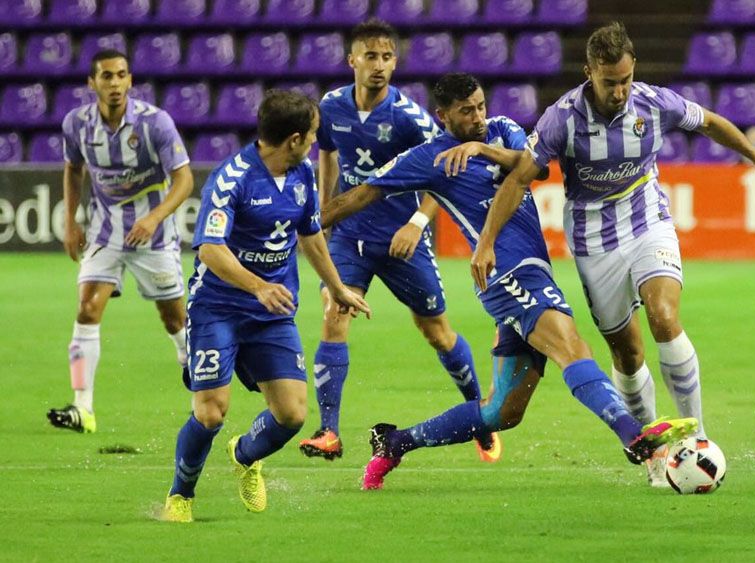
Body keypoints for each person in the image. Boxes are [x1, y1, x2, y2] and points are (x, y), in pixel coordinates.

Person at [320, 73, 697, 491]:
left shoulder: (502, 130)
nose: (478, 116)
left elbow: (532, 168)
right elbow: (361, 194)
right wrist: (306, 225)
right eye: (466, 111)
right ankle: (633, 436)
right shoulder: (430, 157)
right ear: (443, 116)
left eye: (480, 106)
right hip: (505, 276)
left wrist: (481, 148)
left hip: (531, 271)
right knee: (571, 346)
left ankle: (395, 443)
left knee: (502, 412)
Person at [471, 23, 755, 486]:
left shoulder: (654, 103)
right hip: (593, 240)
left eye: (625, 80)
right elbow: (519, 178)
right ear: (589, 72)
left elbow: (709, 122)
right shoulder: (562, 118)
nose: (619, 92)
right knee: (627, 352)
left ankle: (696, 438)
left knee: (663, 316)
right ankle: (654, 453)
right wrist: (486, 242)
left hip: (647, 221)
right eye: (609, 82)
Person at [162, 90, 370, 523]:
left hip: (271, 313)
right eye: (312, 136)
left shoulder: (303, 174)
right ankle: (181, 495)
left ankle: (244, 454)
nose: (315, 143)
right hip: (218, 308)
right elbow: (210, 250)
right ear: (294, 139)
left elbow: (310, 235)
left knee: (292, 414)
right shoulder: (232, 178)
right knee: (210, 413)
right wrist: (258, 286)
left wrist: (337, 288)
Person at [298, 19, 497, 463]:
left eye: (387, 57)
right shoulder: (330, 107)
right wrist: (327, 210)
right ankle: (329, 431)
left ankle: (480, 415)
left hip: (401, 240)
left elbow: (444, 172)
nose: (379, 65)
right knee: (334, 312)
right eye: (371, 56)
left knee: (437, 332)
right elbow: (327, 153)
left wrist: (417, 223)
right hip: (350, 236)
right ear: (352, 60)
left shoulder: (409, 118)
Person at [48, 49, 194, 433]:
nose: (115, 83)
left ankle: (195, 374)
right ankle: (82, 408)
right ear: (92, 82)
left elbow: (184, 180)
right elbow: (73, 168)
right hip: (105, 232)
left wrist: (154, 217)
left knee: (174, 319)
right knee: (87, 309)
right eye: (107, 76)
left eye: (121, 75)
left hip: (154, 237)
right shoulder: (76, 124)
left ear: (130, 80)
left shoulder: (155, 123)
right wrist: (71, 220)